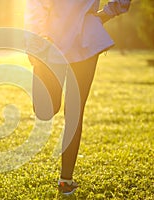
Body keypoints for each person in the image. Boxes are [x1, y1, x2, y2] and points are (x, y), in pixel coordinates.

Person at [25, 0, 131, 195]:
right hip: (54, 36)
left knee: (75, 111)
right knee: (45, 110)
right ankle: (40, 66)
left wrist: (110, 11)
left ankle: (66, 180)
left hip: (81, 32)